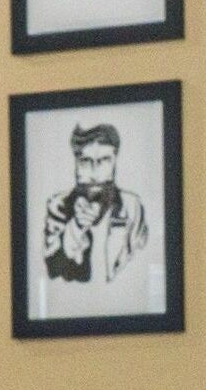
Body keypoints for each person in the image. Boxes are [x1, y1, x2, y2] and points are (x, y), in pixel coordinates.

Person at [41, 122, 148, 286]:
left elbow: (142, 262)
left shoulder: (132, 206)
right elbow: (53, 270)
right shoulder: (59, 205)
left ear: (115, 161)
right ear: (75, 163)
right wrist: (76, 227)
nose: (95, 173)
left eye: (104, 160)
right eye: (85, 161)